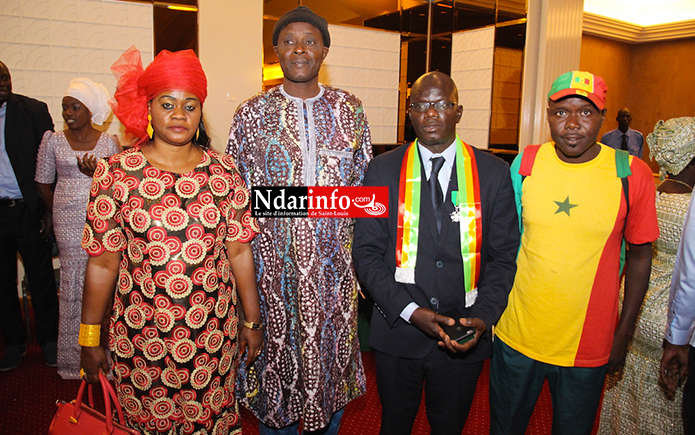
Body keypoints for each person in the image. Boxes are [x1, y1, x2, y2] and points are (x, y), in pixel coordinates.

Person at [79, 46, 263, 435]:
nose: (179, 114)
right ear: (148, 108)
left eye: (190, 105)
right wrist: (90, 337)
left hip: (213, 333)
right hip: (140, 335)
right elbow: (102, 263)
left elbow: (240, 250)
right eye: (167, 103)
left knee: (209, 421)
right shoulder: (116, 173)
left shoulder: (224, 171)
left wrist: (252, 319)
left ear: (201, 112)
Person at [226, 6, 371, 434]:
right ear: (276, 51)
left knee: (329, 373)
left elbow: (365, 198)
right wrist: (328, 201)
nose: (299, 49)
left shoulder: (352, 110)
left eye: (310, 40)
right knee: (275, 371)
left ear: (325, 49)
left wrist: (284, 201)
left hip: (334, 277)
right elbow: (237, 201)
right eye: (288, 41)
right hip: (272, 275)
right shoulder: (251, 114)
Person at [490, 71, 659, 435]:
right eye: (560, 112)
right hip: (518, 332)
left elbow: (641, 256)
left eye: (585, 112)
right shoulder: (527, 162)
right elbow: (503, 245)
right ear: (548, 115)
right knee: (505, 427)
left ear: (603, 116)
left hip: (589, 341)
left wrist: (623, 334)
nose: (571, 125)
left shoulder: (631, 174)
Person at [352, 71, 519, 435]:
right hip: (399, 333)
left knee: (450, 427)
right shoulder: (380, 171)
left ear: (458, 112)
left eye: (442, 104)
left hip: (464, 333)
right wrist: (412, 312)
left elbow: (504, 256)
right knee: (394, 425)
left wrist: (484, 316)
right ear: (409, 114)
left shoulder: (493, 173)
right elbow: (365, 254)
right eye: (420, 105)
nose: (430, 114)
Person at [599, 117, 695, 435]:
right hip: (673, 319)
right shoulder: (689, 209)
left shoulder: (645, 195)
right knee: (665, 410)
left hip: (632, 307)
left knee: (627, 398)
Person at [35, 78, 119, 380]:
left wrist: (97, 175)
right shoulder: (52, 140)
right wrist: (59, 205)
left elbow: (119, 184)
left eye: (75, 107)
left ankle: (107, 358)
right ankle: (73, 360)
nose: (68, 113)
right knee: (73, 283)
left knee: (103, 282)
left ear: (91, 110)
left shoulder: (109, 142)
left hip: (103, 219)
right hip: (67, 220)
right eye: (65, 107)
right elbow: (43, 182)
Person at [0, 60, 59, 371]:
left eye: (6, 76)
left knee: (41, 277)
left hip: (28, 209)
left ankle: (50, 340)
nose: (3, 83)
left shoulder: (32, 111)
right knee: (2, 282)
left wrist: (50, 210)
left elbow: (51, 167)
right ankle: (14, 343)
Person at [659, 119, 695, 435]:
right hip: (669, 314)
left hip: (637, 302)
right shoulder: (686, 205)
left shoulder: (650, 193)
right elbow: (689, 276)